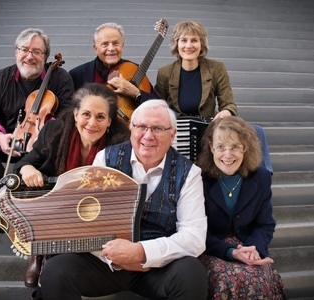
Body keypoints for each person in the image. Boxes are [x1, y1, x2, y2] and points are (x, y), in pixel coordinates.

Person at [36, 100, 208, 299]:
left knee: (192, 273)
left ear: (172, 135)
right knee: (55, 271)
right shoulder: (105, 159)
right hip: (108, 264)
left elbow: (194, 237)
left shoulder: (189, 173)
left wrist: (142, 253)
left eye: (158, 128)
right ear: (131, 128)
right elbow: (90, 221)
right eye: (141, 126)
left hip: (159, 268)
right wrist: (115, 257)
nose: (148, 135)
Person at [13, 83, 130, 288]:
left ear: (110, 121)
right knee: (33, 187)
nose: (92, 123)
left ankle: (56, 261)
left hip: (93, 209)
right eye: (86, 114)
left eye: (100, 117)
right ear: (75, 114)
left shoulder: (121, 142)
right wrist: (28, 169)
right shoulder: (55, 129)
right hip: (56, 203)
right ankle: (38, 253)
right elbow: (25, 162)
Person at [0, 27, 75, 198]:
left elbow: (67, 115)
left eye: (37, 52)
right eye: (24, 50)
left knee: (63, 144)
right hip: (10, 143)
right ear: (16, 52)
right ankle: (4, 195)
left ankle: (41, 198)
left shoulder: (60, 78)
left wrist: (43, 135)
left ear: (45, 56)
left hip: (43, 147)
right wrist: (1, 138)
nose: (29, 56)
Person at [154, 20, 273, 174]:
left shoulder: (216, 68)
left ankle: (263, 176)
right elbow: (157, 107)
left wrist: (226, 113)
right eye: (183, 40)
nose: (189, 45)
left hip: (208, 127)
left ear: (202, 44)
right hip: (179, 130)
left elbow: (228, 104)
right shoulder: (165, 72)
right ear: (176, 44)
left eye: (194, 40)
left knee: (257, 131)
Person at [195, 116, 286, 299]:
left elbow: (265, 224)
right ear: (212, 147)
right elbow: (195, 230)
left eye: (235, 147)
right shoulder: (197, 178)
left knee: (259, 276)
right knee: (227, 278)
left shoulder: (261, 177)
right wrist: (231, 252)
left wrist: (254, 250)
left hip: (248, 245)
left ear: (245, 147)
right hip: (212, 248)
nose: (227, 155)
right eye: (221, 147)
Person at [69, 22, 159, 122]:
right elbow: (70, 112)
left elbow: (158, 105)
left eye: (116, 43)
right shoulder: (76, 74)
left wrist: (136, 93)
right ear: (96, 48)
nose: (111, 48)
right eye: (105, 44)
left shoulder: (135, 69)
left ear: (122, 46)